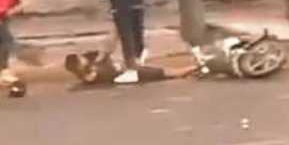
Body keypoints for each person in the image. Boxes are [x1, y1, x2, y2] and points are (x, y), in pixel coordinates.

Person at [64, 51, 196, 86]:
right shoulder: (88, 75)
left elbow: (103, 54)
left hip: (126, 69)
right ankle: (195, 67)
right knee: (164, 73)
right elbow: (92, 76)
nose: (83, 58)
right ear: (78, 66)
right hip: (126, 75)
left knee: (162, 71)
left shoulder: (90, 60)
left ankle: (192, 69)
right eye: (80, 59)